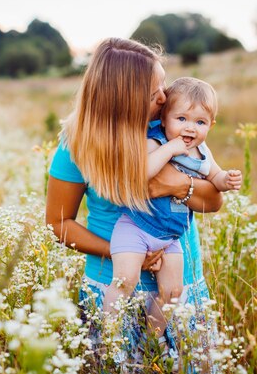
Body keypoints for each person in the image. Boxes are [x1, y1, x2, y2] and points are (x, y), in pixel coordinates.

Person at [45, 38, 223, 370]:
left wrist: (177, 184)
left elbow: (213, 200)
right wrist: (125, 254)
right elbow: (59, 224)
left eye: (164, 85)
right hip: (112, 288)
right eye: (153, 91)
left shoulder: (172, 128)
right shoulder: (77, 146)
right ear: (122, 98)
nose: (164, 97)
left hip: (183, 283)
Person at [102, 76, 242, 351]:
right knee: (124, 282)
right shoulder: (154, 141)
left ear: (210, 126)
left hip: (170, 238)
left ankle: (152, 340)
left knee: (173, 292)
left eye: (200, 122)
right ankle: (109, 336)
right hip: (136, 228)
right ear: (163, 119)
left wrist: (227, 179)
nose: (190, 128)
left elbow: (214, 178)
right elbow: (141, 173)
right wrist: (170, 149)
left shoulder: (201, 152)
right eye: (181, 119)